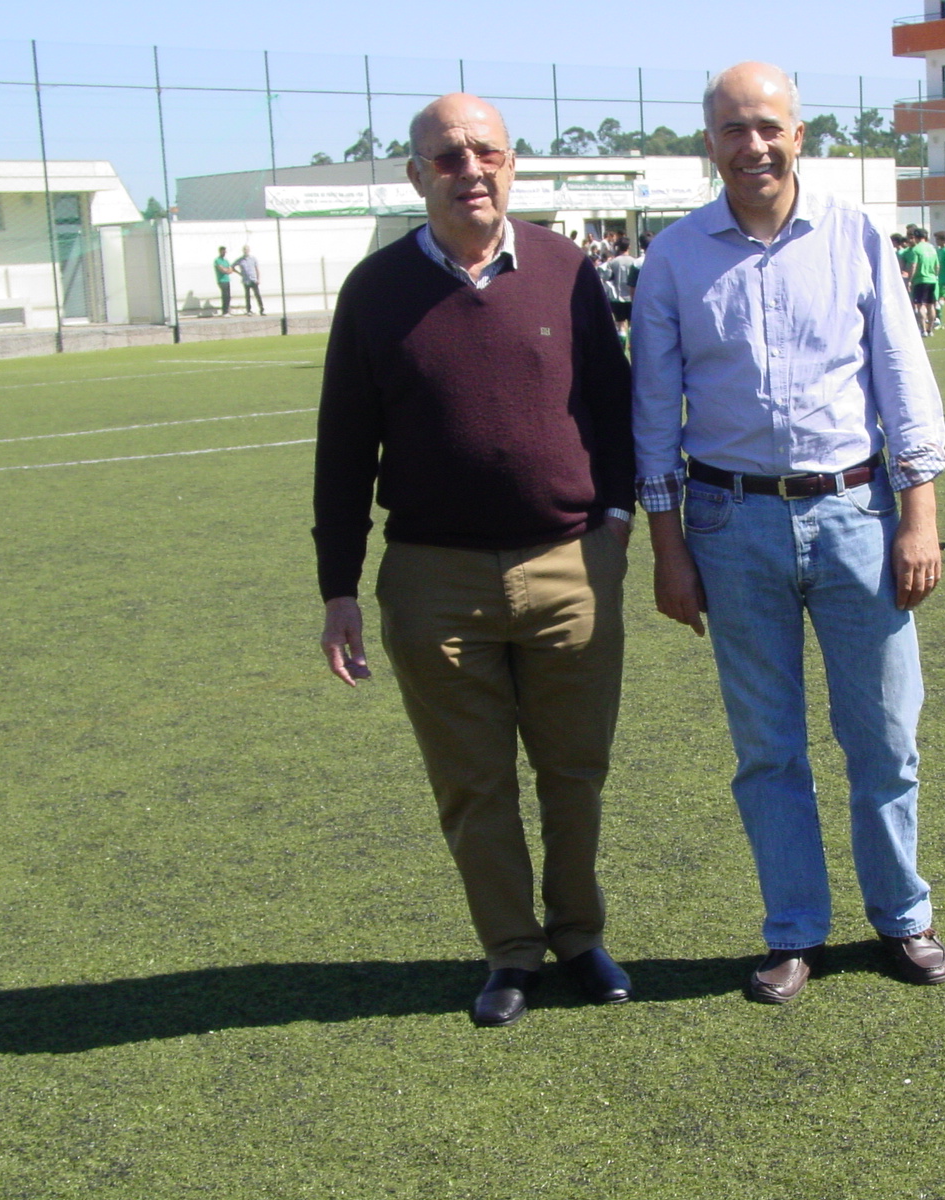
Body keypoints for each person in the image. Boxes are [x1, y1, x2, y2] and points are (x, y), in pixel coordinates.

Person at [312, 92, 637, 1029]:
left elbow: (616, 411)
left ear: (512, 163)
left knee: (574, 772)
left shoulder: (570, 271)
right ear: (417, 176)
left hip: (572, 564)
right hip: (433, 580)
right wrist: (339, 588)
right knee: (472, 783)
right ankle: (510, 951)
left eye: (484, 151)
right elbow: (343, 453)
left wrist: (614, 524)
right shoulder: (374, 293)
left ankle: (579, 936)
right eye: (447, 157)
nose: (470, 170)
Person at [632, 61, 945, 1004]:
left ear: (800, 135)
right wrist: (668, 547)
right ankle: (793, 929)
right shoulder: (675, 258)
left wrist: (918, 515)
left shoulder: (854, 236)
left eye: (768, 125)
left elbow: (902, 379)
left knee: (886, 735)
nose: (753, 144)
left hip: (857, 513)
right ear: (710, 143)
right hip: (730, 524)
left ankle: (903, 916)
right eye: (733, 129)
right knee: (769, 747)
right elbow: (654, 414)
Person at [601, 235, 639, 350]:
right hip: (632, 298)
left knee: (620, 325)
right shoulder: (634, 262)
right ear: (629, 247)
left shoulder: (613, 262)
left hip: (617, 298)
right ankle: (634, 348)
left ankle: (621, 349)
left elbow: (606, 277)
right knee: (633, 325)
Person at [905, 227, 940, 335]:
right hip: (932, 280)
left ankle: (924, 330)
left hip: (920, 280)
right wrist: (935, 276)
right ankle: (930, 329)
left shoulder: (916, 249)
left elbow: (913, 265)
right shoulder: (932, 248)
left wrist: (910, 280)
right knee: (931, 305)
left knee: (920, 305)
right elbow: (937, 266)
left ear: (915, 237)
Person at [233, 245, 265, 315]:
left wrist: (258, 279)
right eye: (244, 249)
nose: (246, 251)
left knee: (257, 294)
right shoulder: (240, 260)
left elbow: (257, 269)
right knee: (247, 296)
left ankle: (262, 309)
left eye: (247, 249)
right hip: (246, 280)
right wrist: (239, 273)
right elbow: (232, 266)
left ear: (249, 250)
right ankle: (249, 310)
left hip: (253, 279)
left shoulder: (253, 259)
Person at [213, 247, 234, 316]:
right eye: (223, 251)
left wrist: (227, 270)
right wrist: (226, 270)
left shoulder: (226, 261)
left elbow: (230, 270)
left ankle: (227, 310)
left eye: (225, 252)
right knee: (225, 295)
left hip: (227, 280)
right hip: (221, 280)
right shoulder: (217, 260)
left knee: (228, 296)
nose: (224, 253)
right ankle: (224, 311)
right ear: (220, 252)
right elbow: (221, 269)